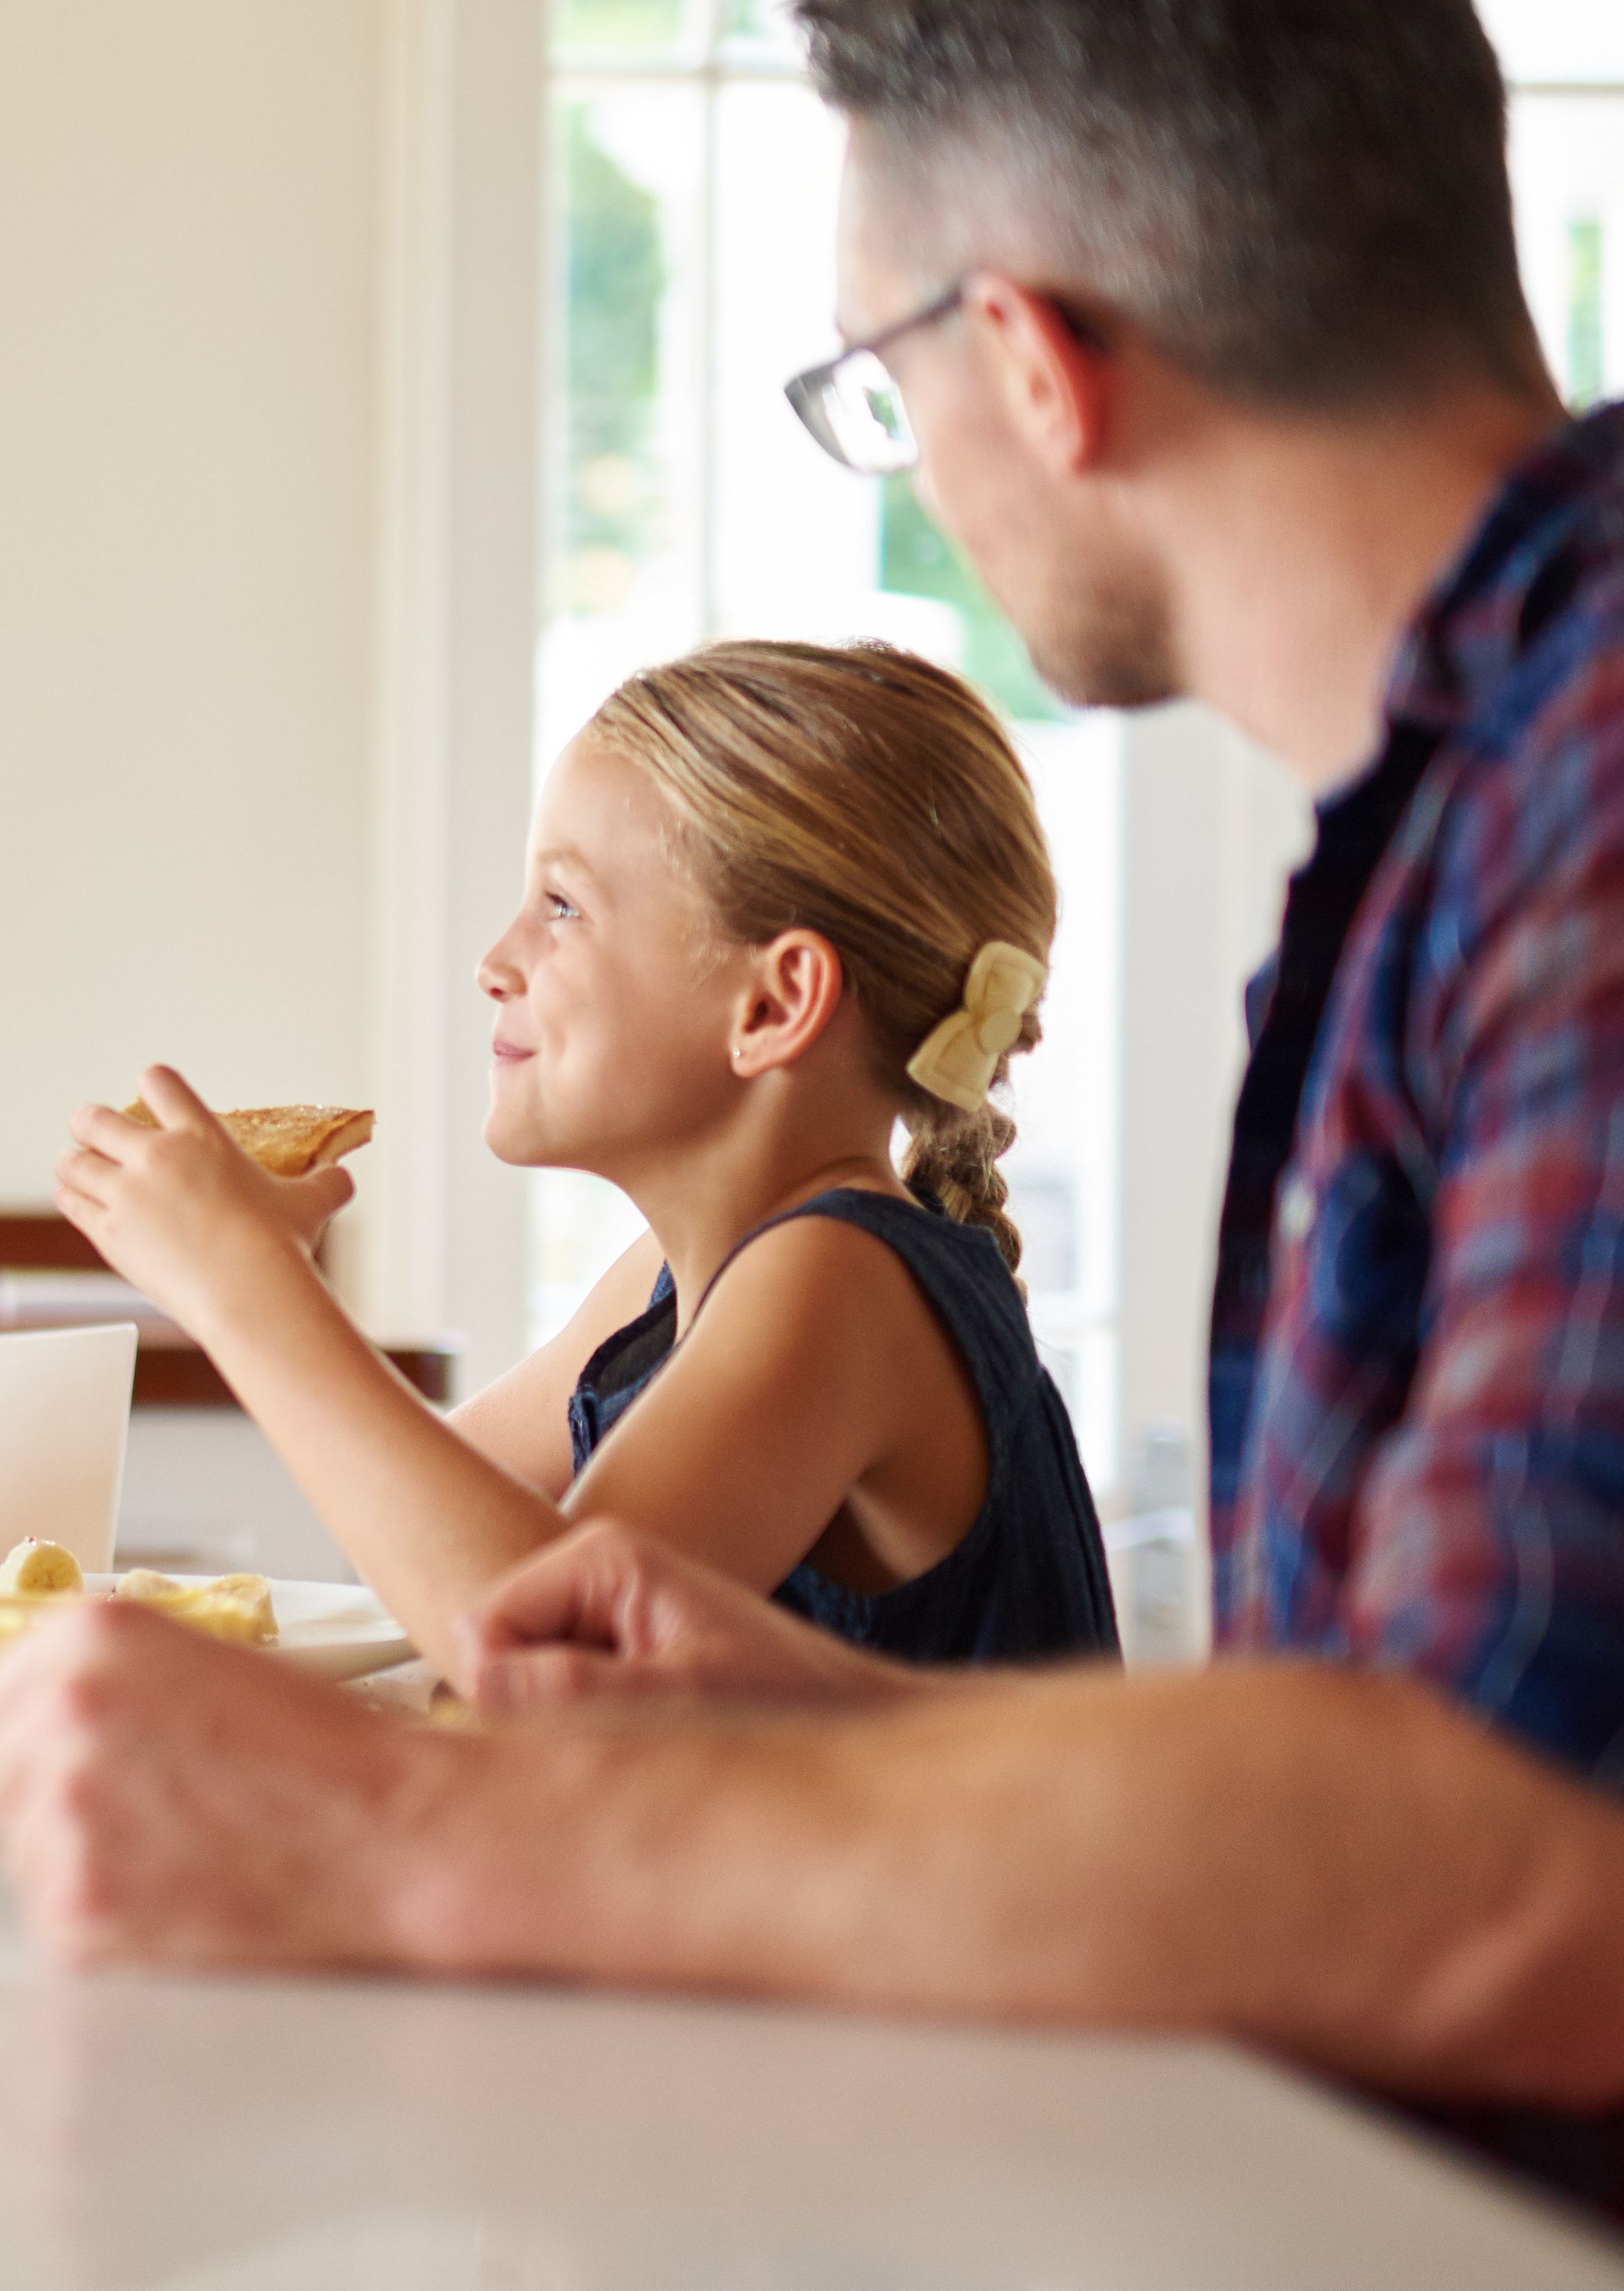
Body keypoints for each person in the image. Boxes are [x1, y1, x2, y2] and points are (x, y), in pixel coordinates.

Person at [0, 0, 1624, 2291]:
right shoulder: (1501, 812)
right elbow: (1424, 1741)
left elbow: (1527, 1880)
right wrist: (842, 1721)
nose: (915, 461)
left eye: (875, 383)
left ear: (1030, 357)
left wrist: (403, 1840)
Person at [62, 640, 1112, 1669]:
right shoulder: (667, 1282)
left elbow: (541, 1648)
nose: (492, 963)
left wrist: (246, 1288)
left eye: (561, 907)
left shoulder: (841, 1281)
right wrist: (254, 1266)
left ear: (773, 1002)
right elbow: (423, 1527)